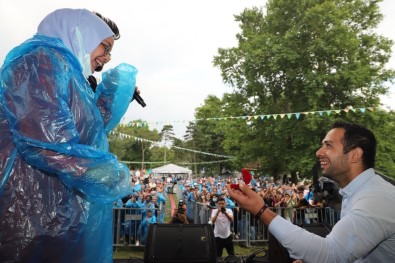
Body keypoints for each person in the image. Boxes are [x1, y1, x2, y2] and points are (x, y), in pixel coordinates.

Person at [0, 8, 139, 263]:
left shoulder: (71, 75)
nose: (107, 58)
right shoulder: (39, 61)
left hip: (60, 215)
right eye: (105, 47)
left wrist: (116, 89)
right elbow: (46, 143)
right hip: (29, 216)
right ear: (81, 34)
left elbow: (89, 135)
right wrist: (106, 174)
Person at [226, 121, 395, 262]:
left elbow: (331, 254)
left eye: (328, 145)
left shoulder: (377, 198)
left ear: (355, 155)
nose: (318, 152)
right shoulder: (358, 192)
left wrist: (261, 210)